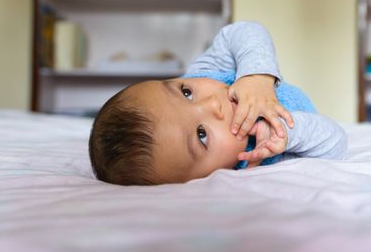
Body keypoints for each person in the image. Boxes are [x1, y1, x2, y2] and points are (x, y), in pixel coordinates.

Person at [89, 21, 347, 185]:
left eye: (186, 93)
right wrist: (287, 133)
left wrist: (255, 75)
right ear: (207, 178)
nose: (213, 104)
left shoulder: (204, 72)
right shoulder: (255, 162)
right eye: (201, 135)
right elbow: (336, 143)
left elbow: (244, 30)